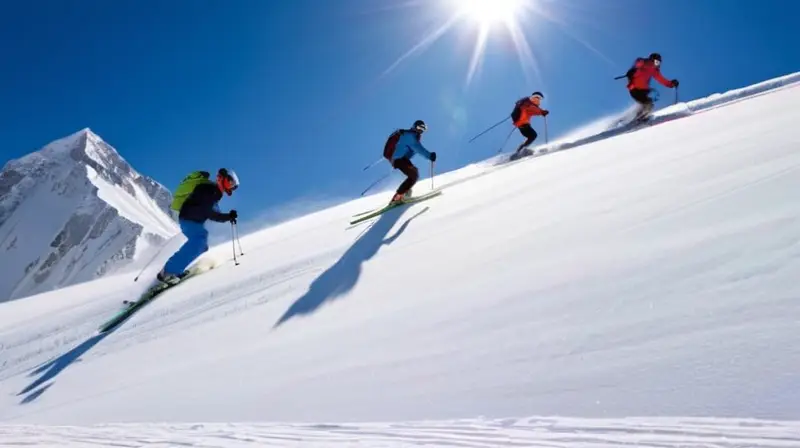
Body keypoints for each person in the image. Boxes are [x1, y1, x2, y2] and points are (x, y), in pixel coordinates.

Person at [157, 168, 239, 285]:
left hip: (192, 220)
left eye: (233, 186)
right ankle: (169, 272)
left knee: (202, 244)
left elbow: (214, 213)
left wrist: (228, 216)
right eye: (230, 182)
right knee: (199, 241)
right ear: (222, 179)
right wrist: (227, 216)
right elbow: (210, 212)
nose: (231, 186)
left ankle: (175, 270)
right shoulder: (208, 190)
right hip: (188, 219)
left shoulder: (214, 193)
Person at [382, 119, 437, 204]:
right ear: (414, 127)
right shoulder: (410, 136)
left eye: (423, 129)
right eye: (419, 128)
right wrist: (430, 156)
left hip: (402, 158)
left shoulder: (411, 136)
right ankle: (397, 197)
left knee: (414, 173)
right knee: (413, 175)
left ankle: (404, 193)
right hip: (398, 159)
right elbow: (419, 149)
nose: (420, 130)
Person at [625, 52, 679, 121]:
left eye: (659, 63)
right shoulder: (644, 63)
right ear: (651, 60)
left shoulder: (655, 71)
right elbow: (637, 63)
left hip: (643, 91)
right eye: (656, 62)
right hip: (634, 89)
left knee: (648, 103)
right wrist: (632, 70)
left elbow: (662, 80)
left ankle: (637, 117)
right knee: (648, 104)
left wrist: (671, 84)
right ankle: (639, 119)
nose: (657, 64)